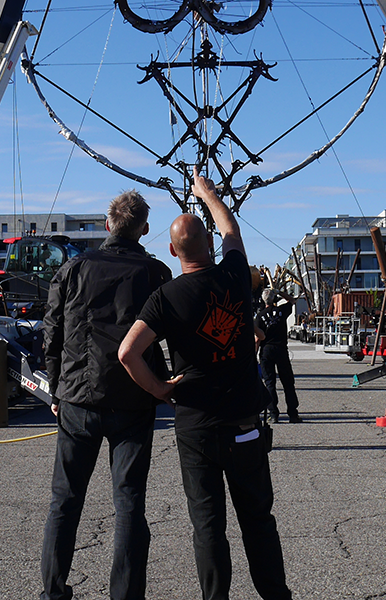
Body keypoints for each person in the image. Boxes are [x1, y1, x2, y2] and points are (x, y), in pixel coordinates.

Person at [119, 166, 292, 600]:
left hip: (195, 424)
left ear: (174, 252)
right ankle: (275, 595)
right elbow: (230, 227)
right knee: (258, 519)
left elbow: (128, 353)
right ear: (208, 245)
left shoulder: (165, 298)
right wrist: (207, 192)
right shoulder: (234, 276)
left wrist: (159, 389)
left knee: (208, 525)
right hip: (244, 422)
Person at [39, 190, 172, 600]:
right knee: (129, 500)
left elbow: (52, 331)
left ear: (108, 224)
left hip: (78, 395)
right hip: (133, 396)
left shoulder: (75, 268)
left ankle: (53, 592)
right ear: (144, 230)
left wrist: (56, 384)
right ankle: (126, 595)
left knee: (65, 499)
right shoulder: (156, 273)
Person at [256, 289, 301, 424]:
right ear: (274, 300)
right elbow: (292, 301)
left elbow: (258, 338)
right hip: (281, 349)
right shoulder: (281, 311)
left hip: (266, 350)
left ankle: (273, 413)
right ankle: (293, 414)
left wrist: (254, 354)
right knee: (288, 382)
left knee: (270, 383)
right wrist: (279, 292)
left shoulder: (259, 316)